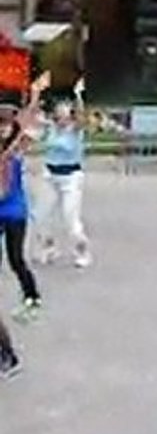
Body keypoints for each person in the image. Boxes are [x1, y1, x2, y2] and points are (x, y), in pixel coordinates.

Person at [3, 73, 48, 324]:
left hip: (14, 211)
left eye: (7, 123)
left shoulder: (17, 147)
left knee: (16, 259)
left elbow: (28, 124)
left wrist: (35, 95)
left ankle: (32, 297)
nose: (3, 127)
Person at [35, 77, 92, 268]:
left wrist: (78, 95)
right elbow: (32, 117)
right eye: (58, 113)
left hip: (71, 178)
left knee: (71, 219)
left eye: (64, 113)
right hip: (50, 175)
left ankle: (82, 251)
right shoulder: (50, 129)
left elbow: (82, 117)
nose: (61, 116)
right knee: (41, 216)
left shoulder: (76, 130)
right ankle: (49, 248)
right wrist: (36, 93)